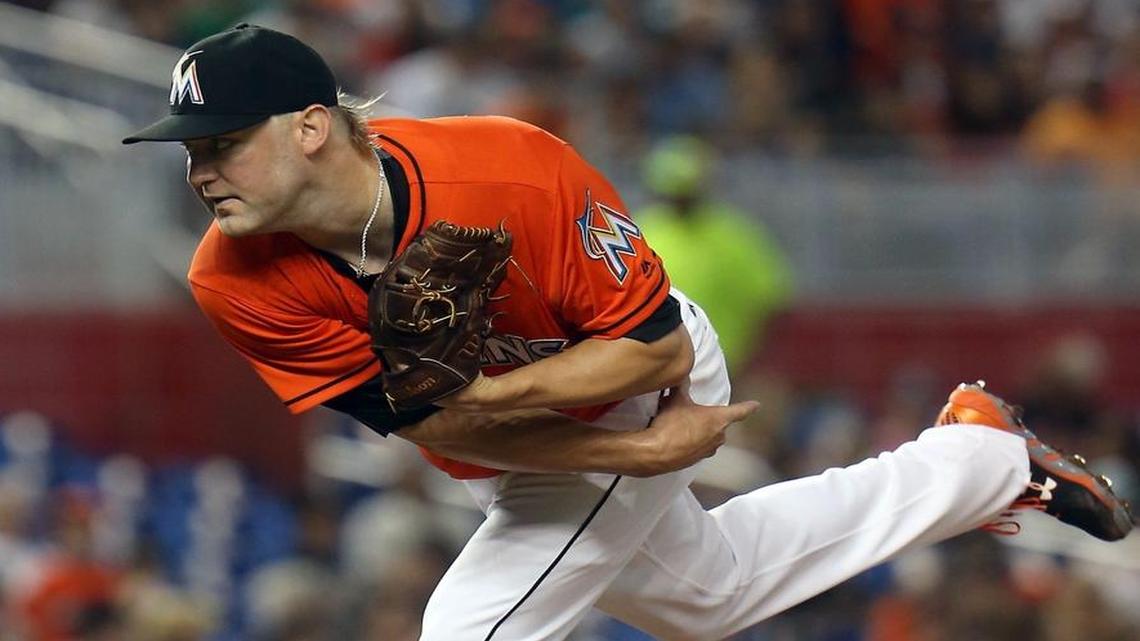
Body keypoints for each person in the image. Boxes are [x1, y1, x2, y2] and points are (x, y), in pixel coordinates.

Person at [123, 24, 1133, 641]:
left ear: (308, 127)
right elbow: (432, 425)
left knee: (469, 623)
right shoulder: (231, 277)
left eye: (221, 144)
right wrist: (624, 456)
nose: (201, 171)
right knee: (716, 595)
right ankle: (980, 458)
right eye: (188, 151)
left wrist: (630, 429)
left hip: (644, 373)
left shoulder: (507, 171)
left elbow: (653, 349)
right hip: (541, 436)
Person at [635, 134, 793, 374]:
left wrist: (749, 357)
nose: (681, 199)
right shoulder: (642, 232)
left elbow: (772, 301)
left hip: (722, 365)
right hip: (654, 368)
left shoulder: (735, 236)